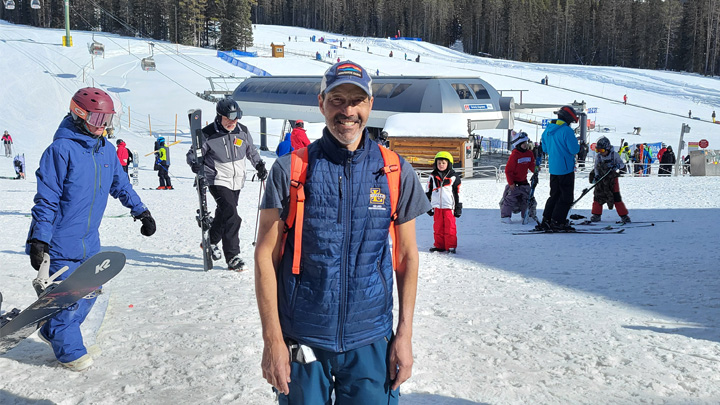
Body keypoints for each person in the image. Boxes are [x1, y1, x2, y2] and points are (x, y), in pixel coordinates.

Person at [254, 60, 430, 403]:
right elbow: (265, 256)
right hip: (303, 340)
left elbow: (407, 256)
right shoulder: (289, 169)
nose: (347, 111)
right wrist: (272, 339)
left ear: (370, 105)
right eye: (337, 100)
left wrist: (404, 333)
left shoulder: (394, 170)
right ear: (321, 103)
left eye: (356, 100)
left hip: (371, 340)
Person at [26, 87, 156, 371]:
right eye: (98, 118)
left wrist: (141, 211)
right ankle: (69, 349)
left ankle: (54, 331)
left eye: (108, 119)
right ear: (79, 115)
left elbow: (120, 185)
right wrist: (39, 239)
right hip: (59, 241)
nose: (104, 126)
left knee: (90, 292)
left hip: (88, 241)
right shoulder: (61, 150)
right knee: (67, 300)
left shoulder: (106, 150)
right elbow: (47, 198)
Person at [186, 97, 266, 271]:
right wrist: (195, 164)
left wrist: (259, 164)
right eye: (228, 118)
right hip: (217, 178)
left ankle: (211, 241)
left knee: (224, 213)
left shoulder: (242, 131)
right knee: (232, 215)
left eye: (235, 118)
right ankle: (233, 256)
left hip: (237, 180)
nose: (232, 122)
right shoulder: (208, 134)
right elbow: (192, 154)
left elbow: (251, 151)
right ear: (219, 116)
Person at [535, 106, 580, 231]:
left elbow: (545, 149)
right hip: (566, 168)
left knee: (554, 195)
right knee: (566, 197)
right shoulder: (566, 131)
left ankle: (547, 218)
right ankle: (558, 221)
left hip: (553, 168)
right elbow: (574, 150)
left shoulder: (547, 130)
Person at [589, 136, 631, 224]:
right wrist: (596, 176)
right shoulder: (599, 157)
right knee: (598, 196)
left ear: (607, 149)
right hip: (601, 179)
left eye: (602, 151)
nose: (600, 153)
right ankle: (596, 215)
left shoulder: (614, 155)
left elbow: (622, 164)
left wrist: (616, 166)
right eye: (598, 150)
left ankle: (624, 216)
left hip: (612, 180)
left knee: (616, 197)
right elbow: (596, 167)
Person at [426, 151, 462, 252]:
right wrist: (427, 206)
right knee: (438, 227)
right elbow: (427, 191)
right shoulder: (432, 176)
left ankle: (450, 246)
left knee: (450, 227)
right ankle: (439, 245)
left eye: (443, 163)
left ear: (449, 164)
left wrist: (458, 207)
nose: (441, 165)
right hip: (437, 207)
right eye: (439, 163)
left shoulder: (454, 177)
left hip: (449, 207)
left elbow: (458, 193)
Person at [500, 131, 535, 224]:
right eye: (523, 143)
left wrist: (535, 169)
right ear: (518, 144)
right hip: (514, 183)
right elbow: (508, 171)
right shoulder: (515, 155)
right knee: (509, 199)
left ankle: (526, 215)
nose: (525, 145)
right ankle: (505, 216)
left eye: (526, 143)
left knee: (527, 200)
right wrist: (511, 183)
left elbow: (531, 165)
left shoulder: (529, 154)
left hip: (524, 182)